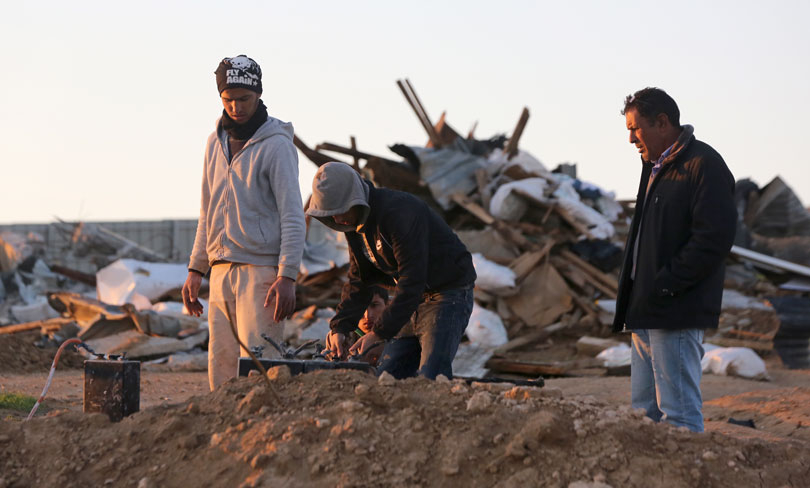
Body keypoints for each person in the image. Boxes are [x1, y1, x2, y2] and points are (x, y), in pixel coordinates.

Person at [614, 87, 736, 432]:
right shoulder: (656, 167)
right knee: (643, 415)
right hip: (646, 308)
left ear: (663, 122)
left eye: (635, 129)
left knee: (679, 416)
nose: (631, 139)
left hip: (675, 309)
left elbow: (713, 238)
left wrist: (667, 283)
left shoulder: (703, 165)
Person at [182, 55, 306, 391]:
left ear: (259, 94)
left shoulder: (277, 146)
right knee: (221, 365)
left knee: (258, 367)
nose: (236, 106)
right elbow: (208, 211)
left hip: (261, 273)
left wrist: (287, 276)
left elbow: (293, 215)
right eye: (228, 99)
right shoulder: (214, 143)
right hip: (221, 271)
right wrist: (196, 269)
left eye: (244, 99)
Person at [308, 162, 476, 380]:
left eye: (340, 211)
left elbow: (412, 278)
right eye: (331, 215)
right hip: (413, 299)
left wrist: (379, 333)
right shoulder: (354, 223)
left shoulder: (399, 213)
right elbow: (360, 278)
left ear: (355, 199)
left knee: (431, 377)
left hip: (447, 294)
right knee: (387, 377)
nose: (338, 220)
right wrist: (340, 326)